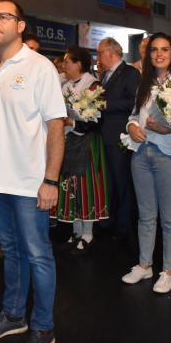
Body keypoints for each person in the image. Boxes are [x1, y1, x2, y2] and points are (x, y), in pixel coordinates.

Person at [0, 0, 66, 343]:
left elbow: (55, 126)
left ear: (21, 25)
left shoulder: (39, 67)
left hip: (29, 182)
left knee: (38, 255)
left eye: (4, 16)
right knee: (11, 252)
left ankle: (43, 328)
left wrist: (51, 180)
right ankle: (13, 315)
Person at [121, 32, 171, 293]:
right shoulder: (145, 81)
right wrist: (131, 126)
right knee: (145, 214)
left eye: (164, 49)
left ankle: (169, 270)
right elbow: (133, 114)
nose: (159, 54)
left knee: (170, 217)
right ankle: (144, 265)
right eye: (154, 50)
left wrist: (167, 129)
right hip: (141, 153)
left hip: (169, 154)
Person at [51, 46, 109, 255]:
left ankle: (88, 233)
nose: (64, 65)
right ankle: (75, 231)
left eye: (68, 61)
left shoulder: (94, 86)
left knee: (86, 187)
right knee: (71, 187)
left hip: (87, 143)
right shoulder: (65, 85)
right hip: (68, 141)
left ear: (79, 64)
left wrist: (72, 122)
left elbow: (97, 120)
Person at [97, 37, 141, 241]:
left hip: (120, 136)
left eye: (99, 53)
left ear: (110, 52)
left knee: (121, 182)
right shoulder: (106, 74)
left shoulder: (130, 72)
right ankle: (111, 219)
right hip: (106, 135)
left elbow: (134, 101)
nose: (98, 57)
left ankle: (123, 226)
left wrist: (106, 104)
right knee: (111, 182)